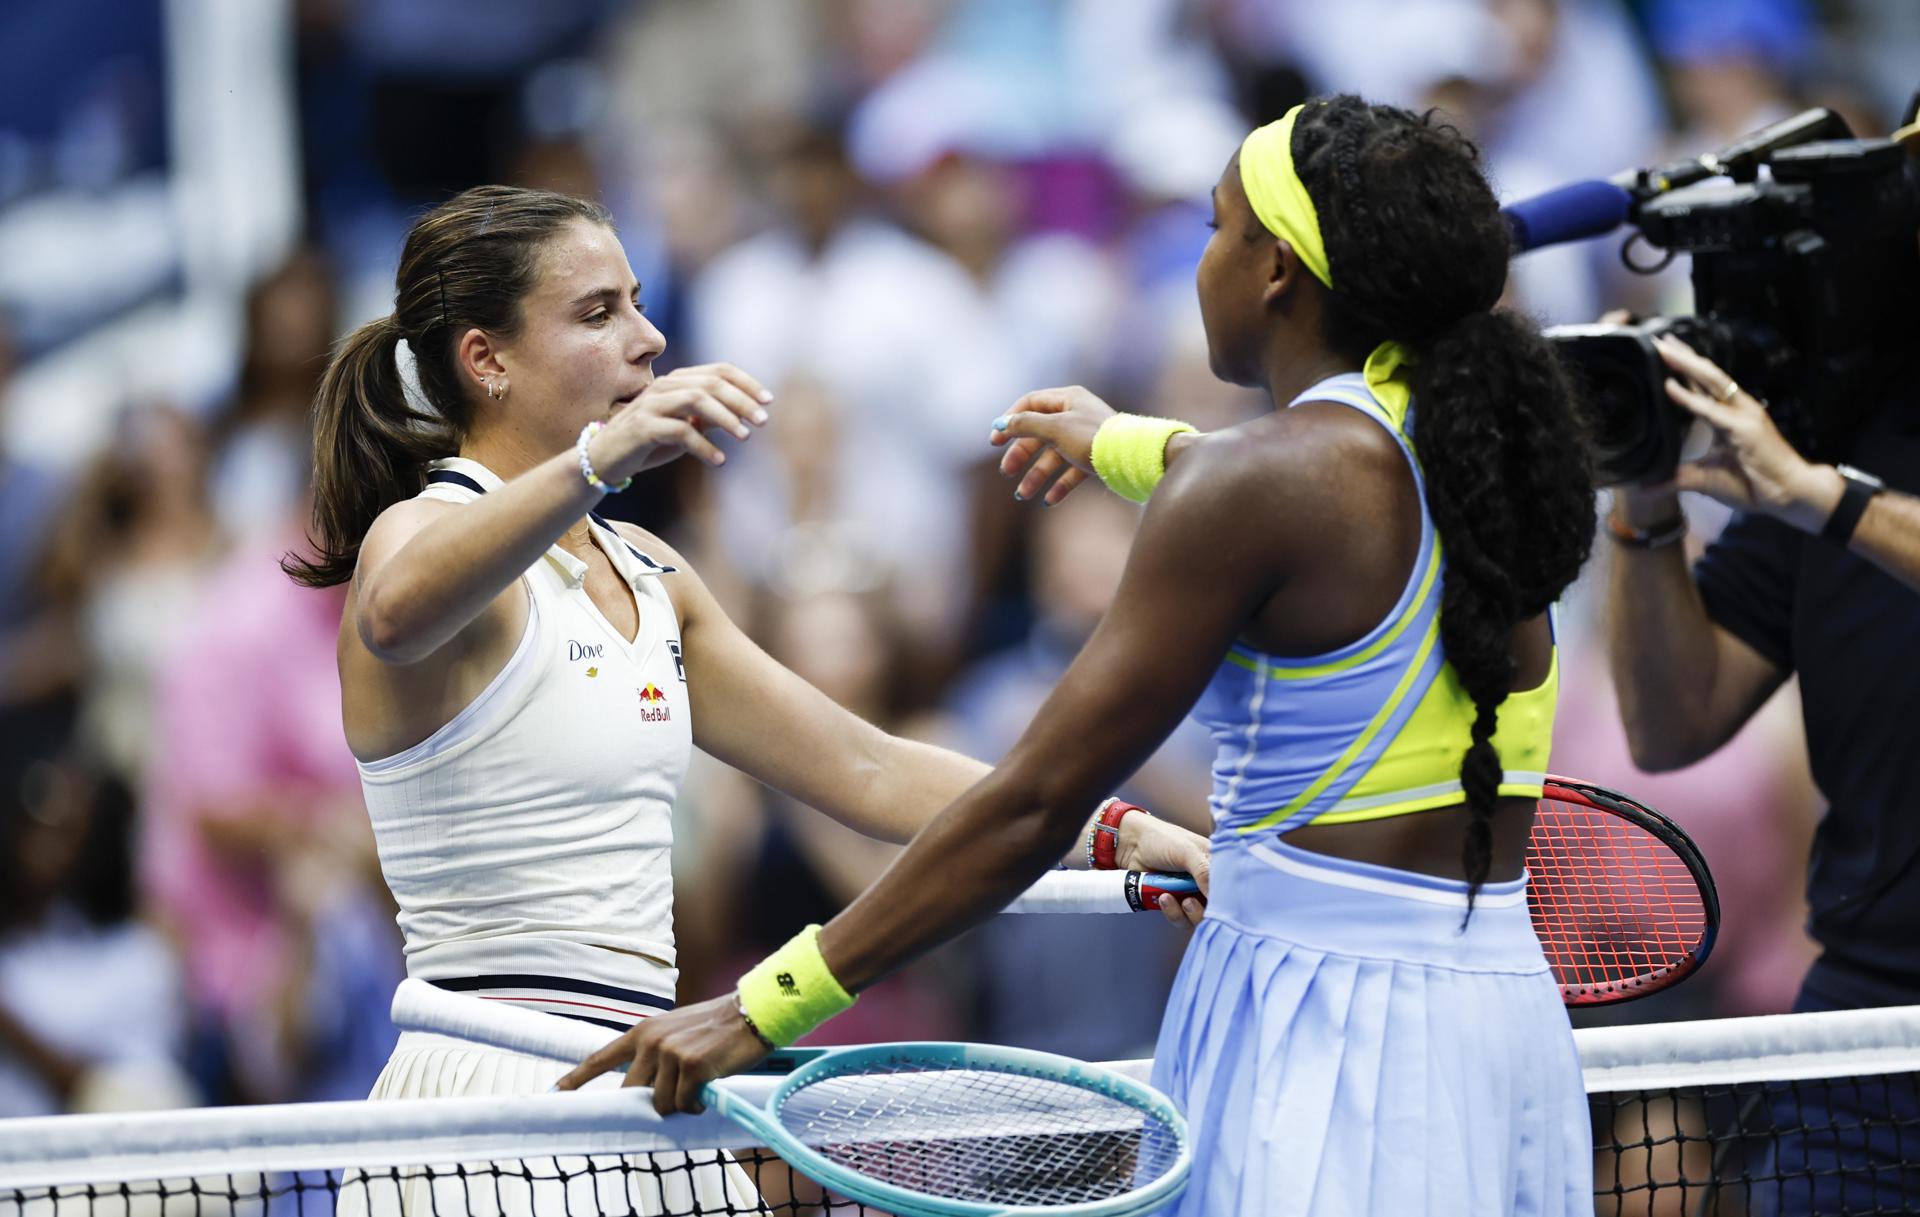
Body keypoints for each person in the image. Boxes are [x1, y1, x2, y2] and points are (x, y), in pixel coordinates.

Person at [569, 96, 1600, 1217]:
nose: (1198, 258)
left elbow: (1035, 801)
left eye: (1216, 229)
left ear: (1276, 273)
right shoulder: (1468, 455)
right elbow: (1307, 500)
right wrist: (1124, 443)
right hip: (1502, 1022)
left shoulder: (1257, 484)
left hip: (1328, 1035)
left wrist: (764, 1006)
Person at [290, 185, 1208, 1213]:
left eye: (637, 301)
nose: (649, 337)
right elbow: (394, 611)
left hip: (648, 1082)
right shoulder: (414, 535)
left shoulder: (651, 574)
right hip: (486, 1105)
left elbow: (871, 767)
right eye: (597, 313)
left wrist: (1113, 830)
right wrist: (598, 459)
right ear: (485, 359)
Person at [1607, 333, 1920, 1212]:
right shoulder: (1841, 430)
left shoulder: (1819, 481)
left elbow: (1819, 499)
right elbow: (1671, 720)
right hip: (1869, 1038)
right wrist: (1646, 493)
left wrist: (1830, 499)